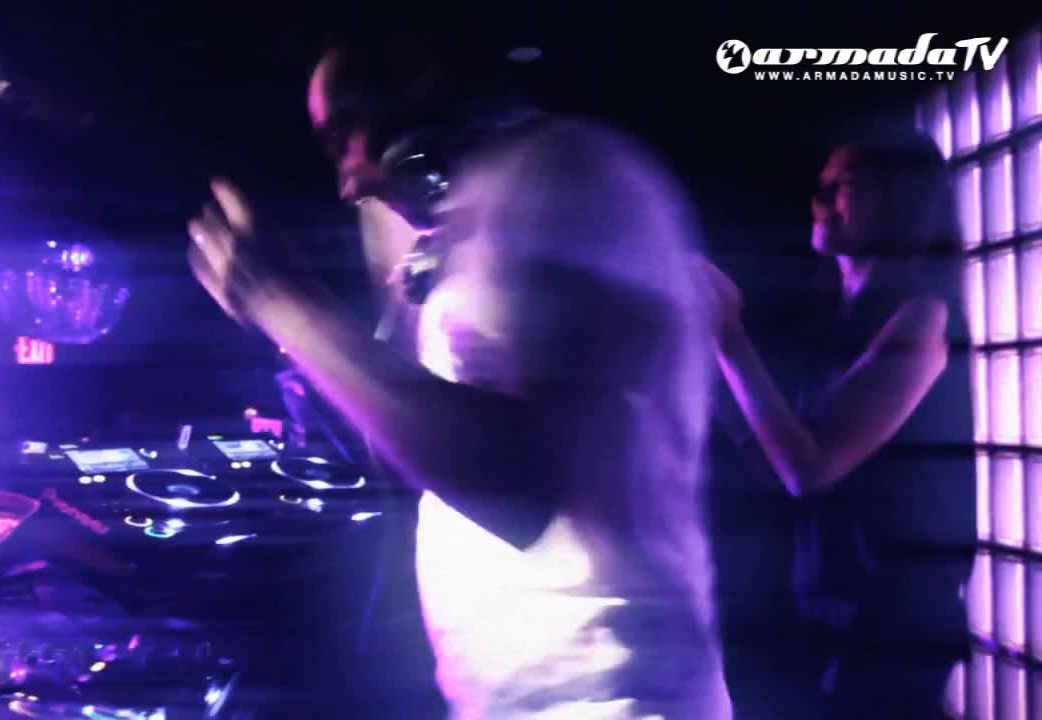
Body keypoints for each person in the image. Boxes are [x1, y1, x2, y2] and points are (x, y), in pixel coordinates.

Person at [187, 37, 732, 719]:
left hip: (617, 699)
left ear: (418, 83)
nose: (349, 184)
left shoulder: (565, 174)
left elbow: (519, 482)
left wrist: (283, 303)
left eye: (343, 139)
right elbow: (417, 457)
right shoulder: (484, 215)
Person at [696, 133, 975, 718]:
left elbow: (810, 468)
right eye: (821, 184)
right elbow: (776, 465)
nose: (818, 199)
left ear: (900, 198)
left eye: (842, 185)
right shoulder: (834, 323)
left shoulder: (921, 318)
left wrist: (728, 335)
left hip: (892, 632)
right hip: (826, 619)